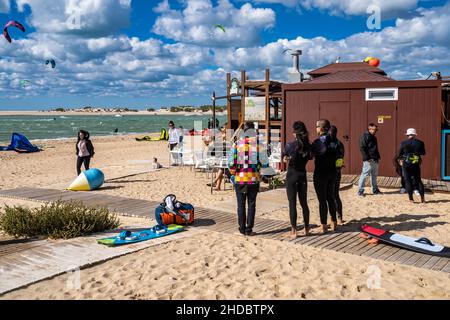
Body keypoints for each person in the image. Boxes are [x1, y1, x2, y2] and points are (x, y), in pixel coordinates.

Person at [228, 122, 269, 236]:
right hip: (253, 179)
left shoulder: (236, 144)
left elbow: (231, 164)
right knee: (252, 204)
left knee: (240, 204)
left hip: (239, 179)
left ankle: (242, 228)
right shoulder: (258, 145)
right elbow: (265, 164)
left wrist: (234, 172)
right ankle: (249, 229)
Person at [282, 121, 312, 238]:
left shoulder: (290, 145)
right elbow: (310, 156)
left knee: (292, 203)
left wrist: (287, 159)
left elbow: (284, 157)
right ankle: (307, 229)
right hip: (302, 174)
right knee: (304, 203)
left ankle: (294, 231)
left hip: (292, 175)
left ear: (294, 132)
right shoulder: (307, 146)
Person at [311, 119, 338, 234]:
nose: (316, 129)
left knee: (322, 200)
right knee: (331, 197)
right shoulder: (335, 141)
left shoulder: (318, 142)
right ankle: (334, 221)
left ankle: (323, 225)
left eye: (317, 127)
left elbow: (311, 155)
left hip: (321, 173)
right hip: (332, 172)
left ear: (321, 128)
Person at [398, 128, 426, 203]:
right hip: (416, 163)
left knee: (407, 181)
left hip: (406, 163)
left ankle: (411, 199)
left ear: (407, 135)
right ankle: (422, 199)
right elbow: (423, 153)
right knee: (419, 181)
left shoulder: (403, 143)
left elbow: (399, 154)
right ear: (415, 135)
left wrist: (401, 158)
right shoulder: (420, 143)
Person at [357, 123, 382, 197]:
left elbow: (374, 149)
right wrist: (367, 158)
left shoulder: (373, 137)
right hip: (369, 160)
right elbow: (362, 148)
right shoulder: (364, 137)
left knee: (374, 175)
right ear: (369, 129)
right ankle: (360, 191)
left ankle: (375, 190)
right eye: (374, 129)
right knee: (364, 175)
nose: (375, 131)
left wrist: (377, 158)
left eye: (376, 130)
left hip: (375, 159)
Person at [329, 125, 345, 225]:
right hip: (337, 171)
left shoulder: (331, 144)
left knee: (332, 196)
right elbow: (341, 158)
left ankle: (334, 218)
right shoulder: (340, 144)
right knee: (336, 195)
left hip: (331, 172)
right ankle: (339, 217)